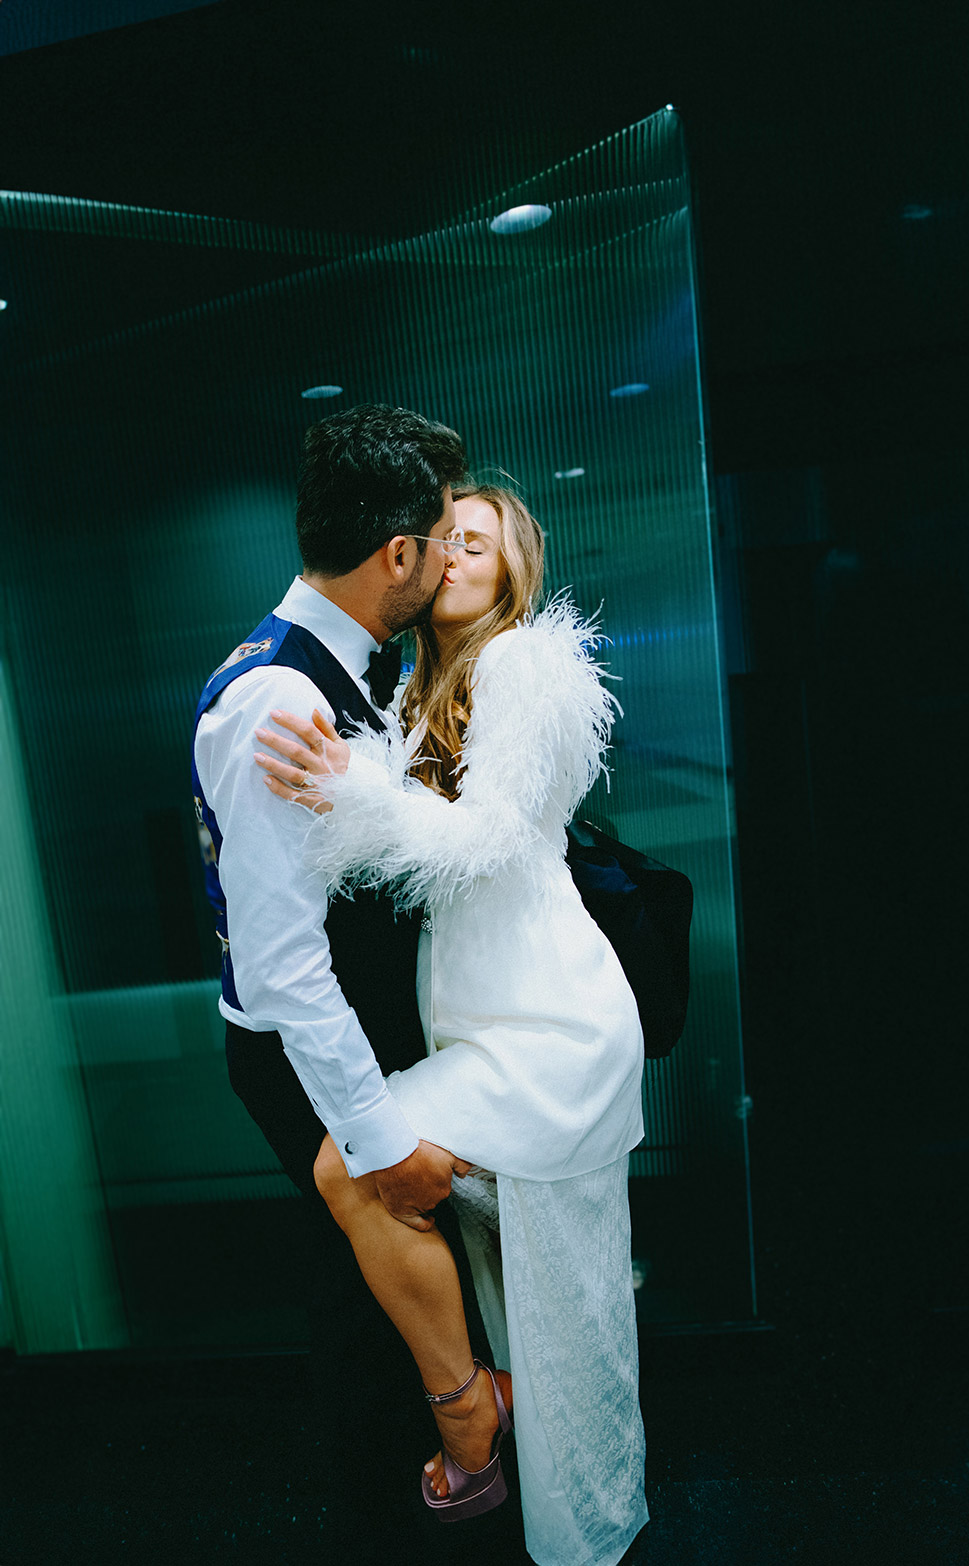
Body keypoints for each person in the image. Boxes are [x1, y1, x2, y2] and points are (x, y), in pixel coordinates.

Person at [254, 483, 649, 1566]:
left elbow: (485, 841)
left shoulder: (525, 662)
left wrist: (350, 788)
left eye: (478, 542)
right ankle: (516, 1428)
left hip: (551, 1023)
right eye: (443, 540)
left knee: (371, 1178)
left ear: (513, 563)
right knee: (530, 1281)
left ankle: (510, 1450)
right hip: (487, 1022)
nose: (454, 554)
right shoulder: (427, 680)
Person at [190, 404, 474, 1505]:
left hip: (352, 1028)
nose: (449, 557)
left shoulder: (353, 658)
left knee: (388, 1310)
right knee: (366, 1321)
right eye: (441, 538)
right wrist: (374, 1141)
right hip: (313, 1056)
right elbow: (282, 968)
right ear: (395, 553)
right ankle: (386, 1517)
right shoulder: (277, 696)